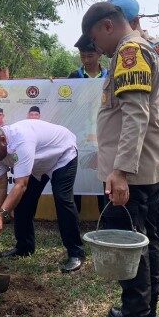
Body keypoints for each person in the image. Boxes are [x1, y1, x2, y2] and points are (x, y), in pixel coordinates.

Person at [76, 1, 159, 317]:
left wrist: (120, 171)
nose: (95, 45)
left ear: (108, 25)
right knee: (148, 244)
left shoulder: (130, 51)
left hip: (134, 171)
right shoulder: (141, 49)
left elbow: (135, 116)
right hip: (145, 168)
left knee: (134, 250)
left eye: (95, 35)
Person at [108, 0, 159, 237]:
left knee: (149, 211)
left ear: (134, 21)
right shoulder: (118, 51)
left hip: (152, 140)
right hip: (135, 142)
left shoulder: (158, 49)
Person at [0, 120, 85, 273]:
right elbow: (0, 182)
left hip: (62, 154)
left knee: (62, 200)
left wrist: (1, 215)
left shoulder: (21, 139)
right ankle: (24, 247)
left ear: (3, 140)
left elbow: (21, 185)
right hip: (37, 164)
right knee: (22, 203)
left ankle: (76, 253)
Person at [68, 40, 107, 215]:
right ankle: (75, 220)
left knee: (103, 174)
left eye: (90, 55)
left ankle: (106, 221)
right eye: (82, 56)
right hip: (80, 133)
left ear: (99, 54)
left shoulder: (109, 76)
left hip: (104, 132)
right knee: (78, 174)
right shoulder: (74, 77)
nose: (86, 59)